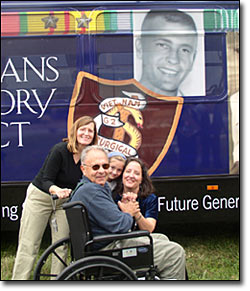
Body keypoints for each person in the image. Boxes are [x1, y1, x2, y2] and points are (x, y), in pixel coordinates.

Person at [70, 145, 186, 280]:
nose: (102, 171)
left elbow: (113, 218)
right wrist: (129, 211)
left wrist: (125, 211)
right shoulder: (92, 192)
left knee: (162, 238)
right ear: (83, 169)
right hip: (107, 251)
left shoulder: (91, 188)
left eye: (105, 166)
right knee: (174, 252)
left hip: (101, 244)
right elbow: (122, 225)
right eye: (96, 167)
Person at [12, 116, 98, 280]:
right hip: (40, 198)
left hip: (64, 203)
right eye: (83, 129)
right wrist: (56, 190)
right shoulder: (60, 150)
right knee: (29, 244)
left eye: (90, 131)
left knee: (62, 245)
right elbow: (45, 179)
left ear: (94, 135)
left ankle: (58, 281)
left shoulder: (89, 158)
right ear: (75, 131)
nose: (86, 133)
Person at [135, 10, 198, 96]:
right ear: (140, 48)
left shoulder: (200, 109)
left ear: (193, 59)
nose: (173, 59)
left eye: (184, 50)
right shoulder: (118, 107)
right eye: (163, 45)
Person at [114, 157, 158, 233]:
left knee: (163, 238)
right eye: (128, 171)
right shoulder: (113, 196)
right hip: (120, 239)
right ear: (122, 175)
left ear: (141, 179)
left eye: (136, 173)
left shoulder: (150, 198)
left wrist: (136, 212)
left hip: (142, 236)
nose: (131, 176)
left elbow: (149, 229)